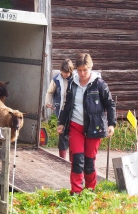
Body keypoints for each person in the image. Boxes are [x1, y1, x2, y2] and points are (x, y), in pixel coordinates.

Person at [57, 53, 116, 195]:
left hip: (94, 128)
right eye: (79, 70)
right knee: (77, 160)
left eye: (85, 70)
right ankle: (76, 192)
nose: (82, 73)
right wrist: (61, 123)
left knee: (89, 161)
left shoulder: (100, 84)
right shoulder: (73, 83)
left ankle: (90, 190)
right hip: (75, 126)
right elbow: (67, 105)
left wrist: (111, 124)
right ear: (76, 69)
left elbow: (110, 104)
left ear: (90, 68)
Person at [45, 58, 74, 159]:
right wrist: (47, 102)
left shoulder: (76, 79)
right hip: (61, 110)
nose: (66, 74)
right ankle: (62, 159)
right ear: (61, 70)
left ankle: (72, 160)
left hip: (73, 111)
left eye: (68, 72)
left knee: (73, 136)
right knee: (62, 135)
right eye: (64, 72)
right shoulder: (56, 79)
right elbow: (50, 92)